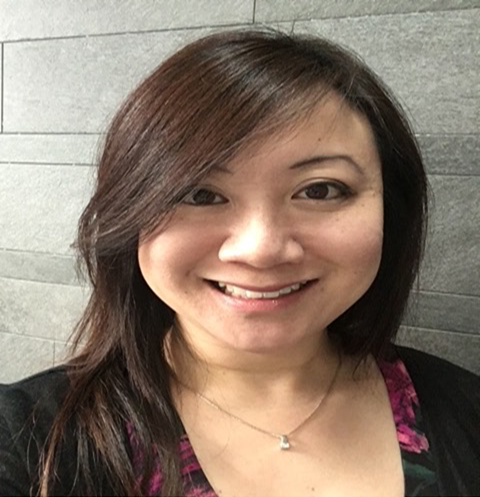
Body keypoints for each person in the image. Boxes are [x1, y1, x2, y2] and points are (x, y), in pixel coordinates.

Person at [0, 28, 479, 497]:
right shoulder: (25, 440)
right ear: (130, 214)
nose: (260, 249)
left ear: (389, 210)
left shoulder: (466, 408)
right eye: (200, 194)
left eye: (320, 190)